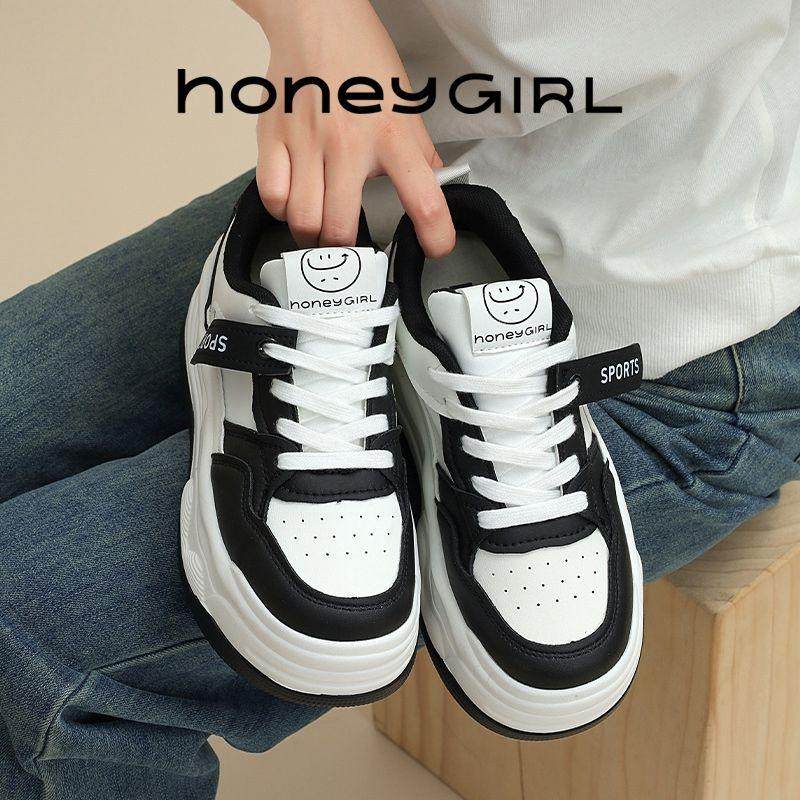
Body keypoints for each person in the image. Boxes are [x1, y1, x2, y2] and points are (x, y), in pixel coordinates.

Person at [2, 1, 798, 798]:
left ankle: (483, 378)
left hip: (705, 315)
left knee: (30, 639)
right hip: (387, 169)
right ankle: (334, 303)